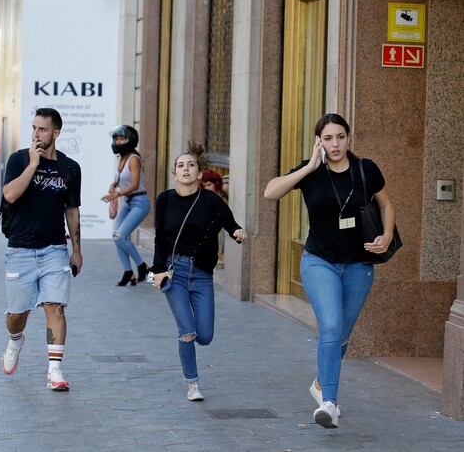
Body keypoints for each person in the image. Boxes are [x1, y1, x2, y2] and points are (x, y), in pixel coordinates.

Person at [263, 113, 397, 429]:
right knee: (332, 327)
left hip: (359, 265)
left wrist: (387, 235)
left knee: (341, 336)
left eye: (340, 136)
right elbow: (270, 192)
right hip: (318, 261)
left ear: (348, 138)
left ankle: (322, 383)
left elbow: (387, 205)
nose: (334, 144)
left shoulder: (366, 170)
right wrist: (309, 167)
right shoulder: (311, 173)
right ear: (319, 141)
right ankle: (329, 404)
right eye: (327, 138)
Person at [151, 141, 247, 402]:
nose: (185, 169)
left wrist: (237, 232)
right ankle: (192, 384)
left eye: (190, 165)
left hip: (203, 275)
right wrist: (158, 270)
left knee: (205, 336)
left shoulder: (211, 201)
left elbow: (230, 222)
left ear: (199, 173)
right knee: (187, 331)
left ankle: (192, 356)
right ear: (174, 174)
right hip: (175, 274)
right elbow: (160, 238)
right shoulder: (165, 200)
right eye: (180, 166)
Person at [0, 108, 82, 391]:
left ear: (56, 133)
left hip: (54, 249)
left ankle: (54, 371)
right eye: (34, 128)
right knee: (17, 314)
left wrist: (76, 249)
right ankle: (15, 341)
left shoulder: (70, 168)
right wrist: (32, 165)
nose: (36, 134)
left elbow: (72, 210)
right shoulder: (19, 159)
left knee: (55, 308)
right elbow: (10, 194)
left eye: (42, 129)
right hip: (20, 249)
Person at [100, 125, 150, 286]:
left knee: (121, 236)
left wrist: (115, 194)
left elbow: (135, 184)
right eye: (116, 138)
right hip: (129, 202)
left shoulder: (134, 159)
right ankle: (128, 272)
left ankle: (142, 266)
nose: (118, 141)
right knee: (116, 235)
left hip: (140, 202)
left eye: (122, 138)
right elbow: (121, 178)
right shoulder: (121, 158)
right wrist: (113, 185)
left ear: (130, 140)